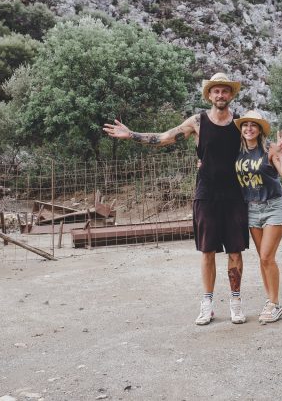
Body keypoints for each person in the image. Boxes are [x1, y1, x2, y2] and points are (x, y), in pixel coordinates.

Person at [103, 73, 249, 326]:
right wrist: (131, 134)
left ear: (231, 95)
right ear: (209, 95)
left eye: (225, 91)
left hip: (234, 195)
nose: (220, 95)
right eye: (216, 91)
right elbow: (164, 137)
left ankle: (235, 303)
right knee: (207, 251)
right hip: (206, 194)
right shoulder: (198, 122)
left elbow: (256, 148)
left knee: (235, 251)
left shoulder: (239, 123)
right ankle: (207, 305)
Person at [233, 110, 282, 324]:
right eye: (245, 125)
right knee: (263, 258)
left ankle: (275, 304)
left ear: (259, 130)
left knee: (267, 257)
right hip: (251, 209)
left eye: (253, 125)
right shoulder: (236, 151)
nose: (249, 128)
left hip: (273, 207)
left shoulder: (268, 148)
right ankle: (270, 300)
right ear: (241, 129)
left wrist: (281, 154)